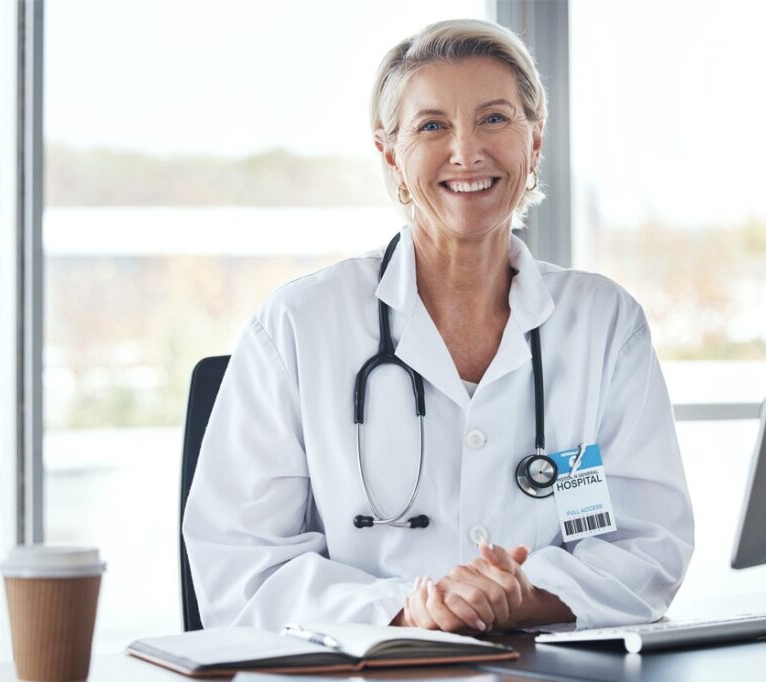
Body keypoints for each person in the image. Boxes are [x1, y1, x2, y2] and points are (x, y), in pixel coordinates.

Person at [183, 18, 693, 634]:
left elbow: (650, 544)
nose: (466, 151)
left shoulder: (605, 325)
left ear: (535, 144)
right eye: (432, 126)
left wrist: (516, 596)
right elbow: (241, 564)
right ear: (391, 156)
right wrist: (410, 609)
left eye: (495, 119)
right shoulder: (296, 328)